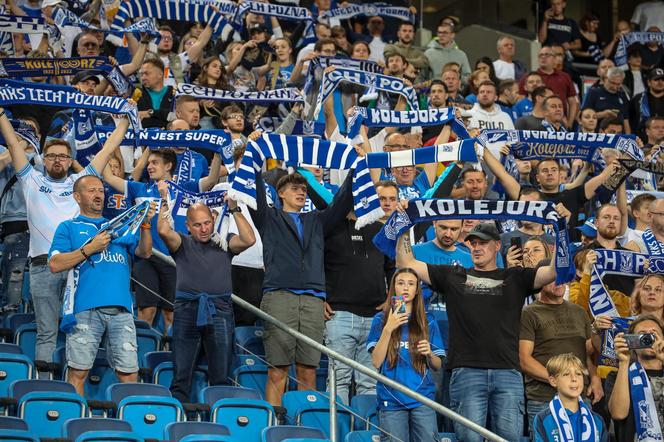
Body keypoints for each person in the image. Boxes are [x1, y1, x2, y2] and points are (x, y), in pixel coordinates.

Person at [396, 218, 559, 442]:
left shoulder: (515, 278)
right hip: (466, 371)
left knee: (508, 439)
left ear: (497, 246)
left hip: (507, 372)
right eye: (473, 243)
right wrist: (404, 227)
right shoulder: (454, 275)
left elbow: (553, 272)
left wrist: (560, 230)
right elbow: (407, 262)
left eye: (482, 243)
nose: (476, 248)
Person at [0, 109, 128, 374]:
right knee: (46, 331)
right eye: (52, 156)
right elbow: (13, 143)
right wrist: (1, 114)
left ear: (71, 160)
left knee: (80, 330)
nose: (57, 160)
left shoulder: (80, 183)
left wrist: (124, 120)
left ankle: (72, 387)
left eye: (63, 156)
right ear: (43, 159)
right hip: (42, 266)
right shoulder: (31, 179)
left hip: (80, 267)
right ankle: (46, 383)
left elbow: (108, 149)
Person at [253, 168, 354, 408]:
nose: (301, 193)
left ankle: (303, 422)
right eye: (295, 189)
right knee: (278, 369)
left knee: (308, 370)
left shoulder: (316, 220)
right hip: (279, 296)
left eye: (304, 189)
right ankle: (276, 425)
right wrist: (254, 164)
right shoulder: (269, 218)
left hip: (313, 299)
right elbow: (254, 193)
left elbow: (342, 203)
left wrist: (353, 172)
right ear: (280, 194)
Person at [48, 176, 155, 396]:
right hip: (85, 310)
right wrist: (89, 248)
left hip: (122, 310)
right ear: (77, 197)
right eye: (91, 191)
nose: (98, 195)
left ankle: (126, 426)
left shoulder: (119, 225)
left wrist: (145, 224)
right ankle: (75, 425)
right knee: (79, 372)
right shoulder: (68, 227)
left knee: (129, 373)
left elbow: (145, 252)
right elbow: (54, 264)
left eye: (101, 190)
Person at [156, 197, 255, 404]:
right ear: (188, 226)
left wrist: (235, 209)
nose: (203, 229)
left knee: (221, 375)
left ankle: (220, 425)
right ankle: (178, 423)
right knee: (181, 375)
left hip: (220, 310)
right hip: (186, 310)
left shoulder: (224, 242)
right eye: (197, 225)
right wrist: (164, 201)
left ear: (214, 219)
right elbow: (164, 231)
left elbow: (249, 240)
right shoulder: (182, 243)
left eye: (207, 223)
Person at [367, 268, 445, 442]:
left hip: (422, 398)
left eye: (411, 284)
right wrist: (389, 328)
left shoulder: (428, 320)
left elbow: (437, 365)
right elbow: (376, 361)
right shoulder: (380, 320)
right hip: (391, 399)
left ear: (417, 289)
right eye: (400, 283)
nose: (405, 288)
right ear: (393, 287)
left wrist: (430, 354)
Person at [520, 279, 601, 434]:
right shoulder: (529, 313)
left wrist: (595, 377)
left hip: (580, 398)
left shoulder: (579, 312)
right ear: (540, 283)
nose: (559, 283)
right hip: (544, 399)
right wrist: (558, 381)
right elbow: (524, 360)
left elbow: (584, 354)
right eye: (552, 279)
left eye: (563, 278)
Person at [606, 314, 664, 441]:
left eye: (654, 334)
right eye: (642, 334)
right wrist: (623, 362)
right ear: (631, 342)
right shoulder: (617, 376)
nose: (649, 338)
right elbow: (618, 414)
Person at [533, 353, 608, 442]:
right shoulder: (543, 419)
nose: (574, 378)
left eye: (578, 374)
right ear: (553, 381)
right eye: (566, 374)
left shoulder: (597, 420)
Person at [520, 46, 578, 128]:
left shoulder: (565, 77)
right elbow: (521, 99)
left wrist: (570, 123)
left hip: (559, 122)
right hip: (534, 121)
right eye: (541, 55)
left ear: (554, 59)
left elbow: (572, 102)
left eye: (547, 55)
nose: (543, 57)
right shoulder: (529, 77)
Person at [581, 67, 631, 133]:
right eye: (613, 83)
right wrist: (603, 114)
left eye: (618, 84)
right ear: (606, 78)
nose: (615, 86)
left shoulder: (622, 95)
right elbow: (583, 117)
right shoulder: (593, 92)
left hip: (618, 135)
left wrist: (628, 138)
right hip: (596, 134)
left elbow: (625, 120)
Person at [137, 58, 175, 129]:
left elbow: (174, 116)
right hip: (143, 137)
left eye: (147, 73)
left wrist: (150, 113)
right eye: (141, 74)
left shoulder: (174, 94)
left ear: (160, 75)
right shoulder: (137, 94)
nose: (143, 78)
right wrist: (162, 115)